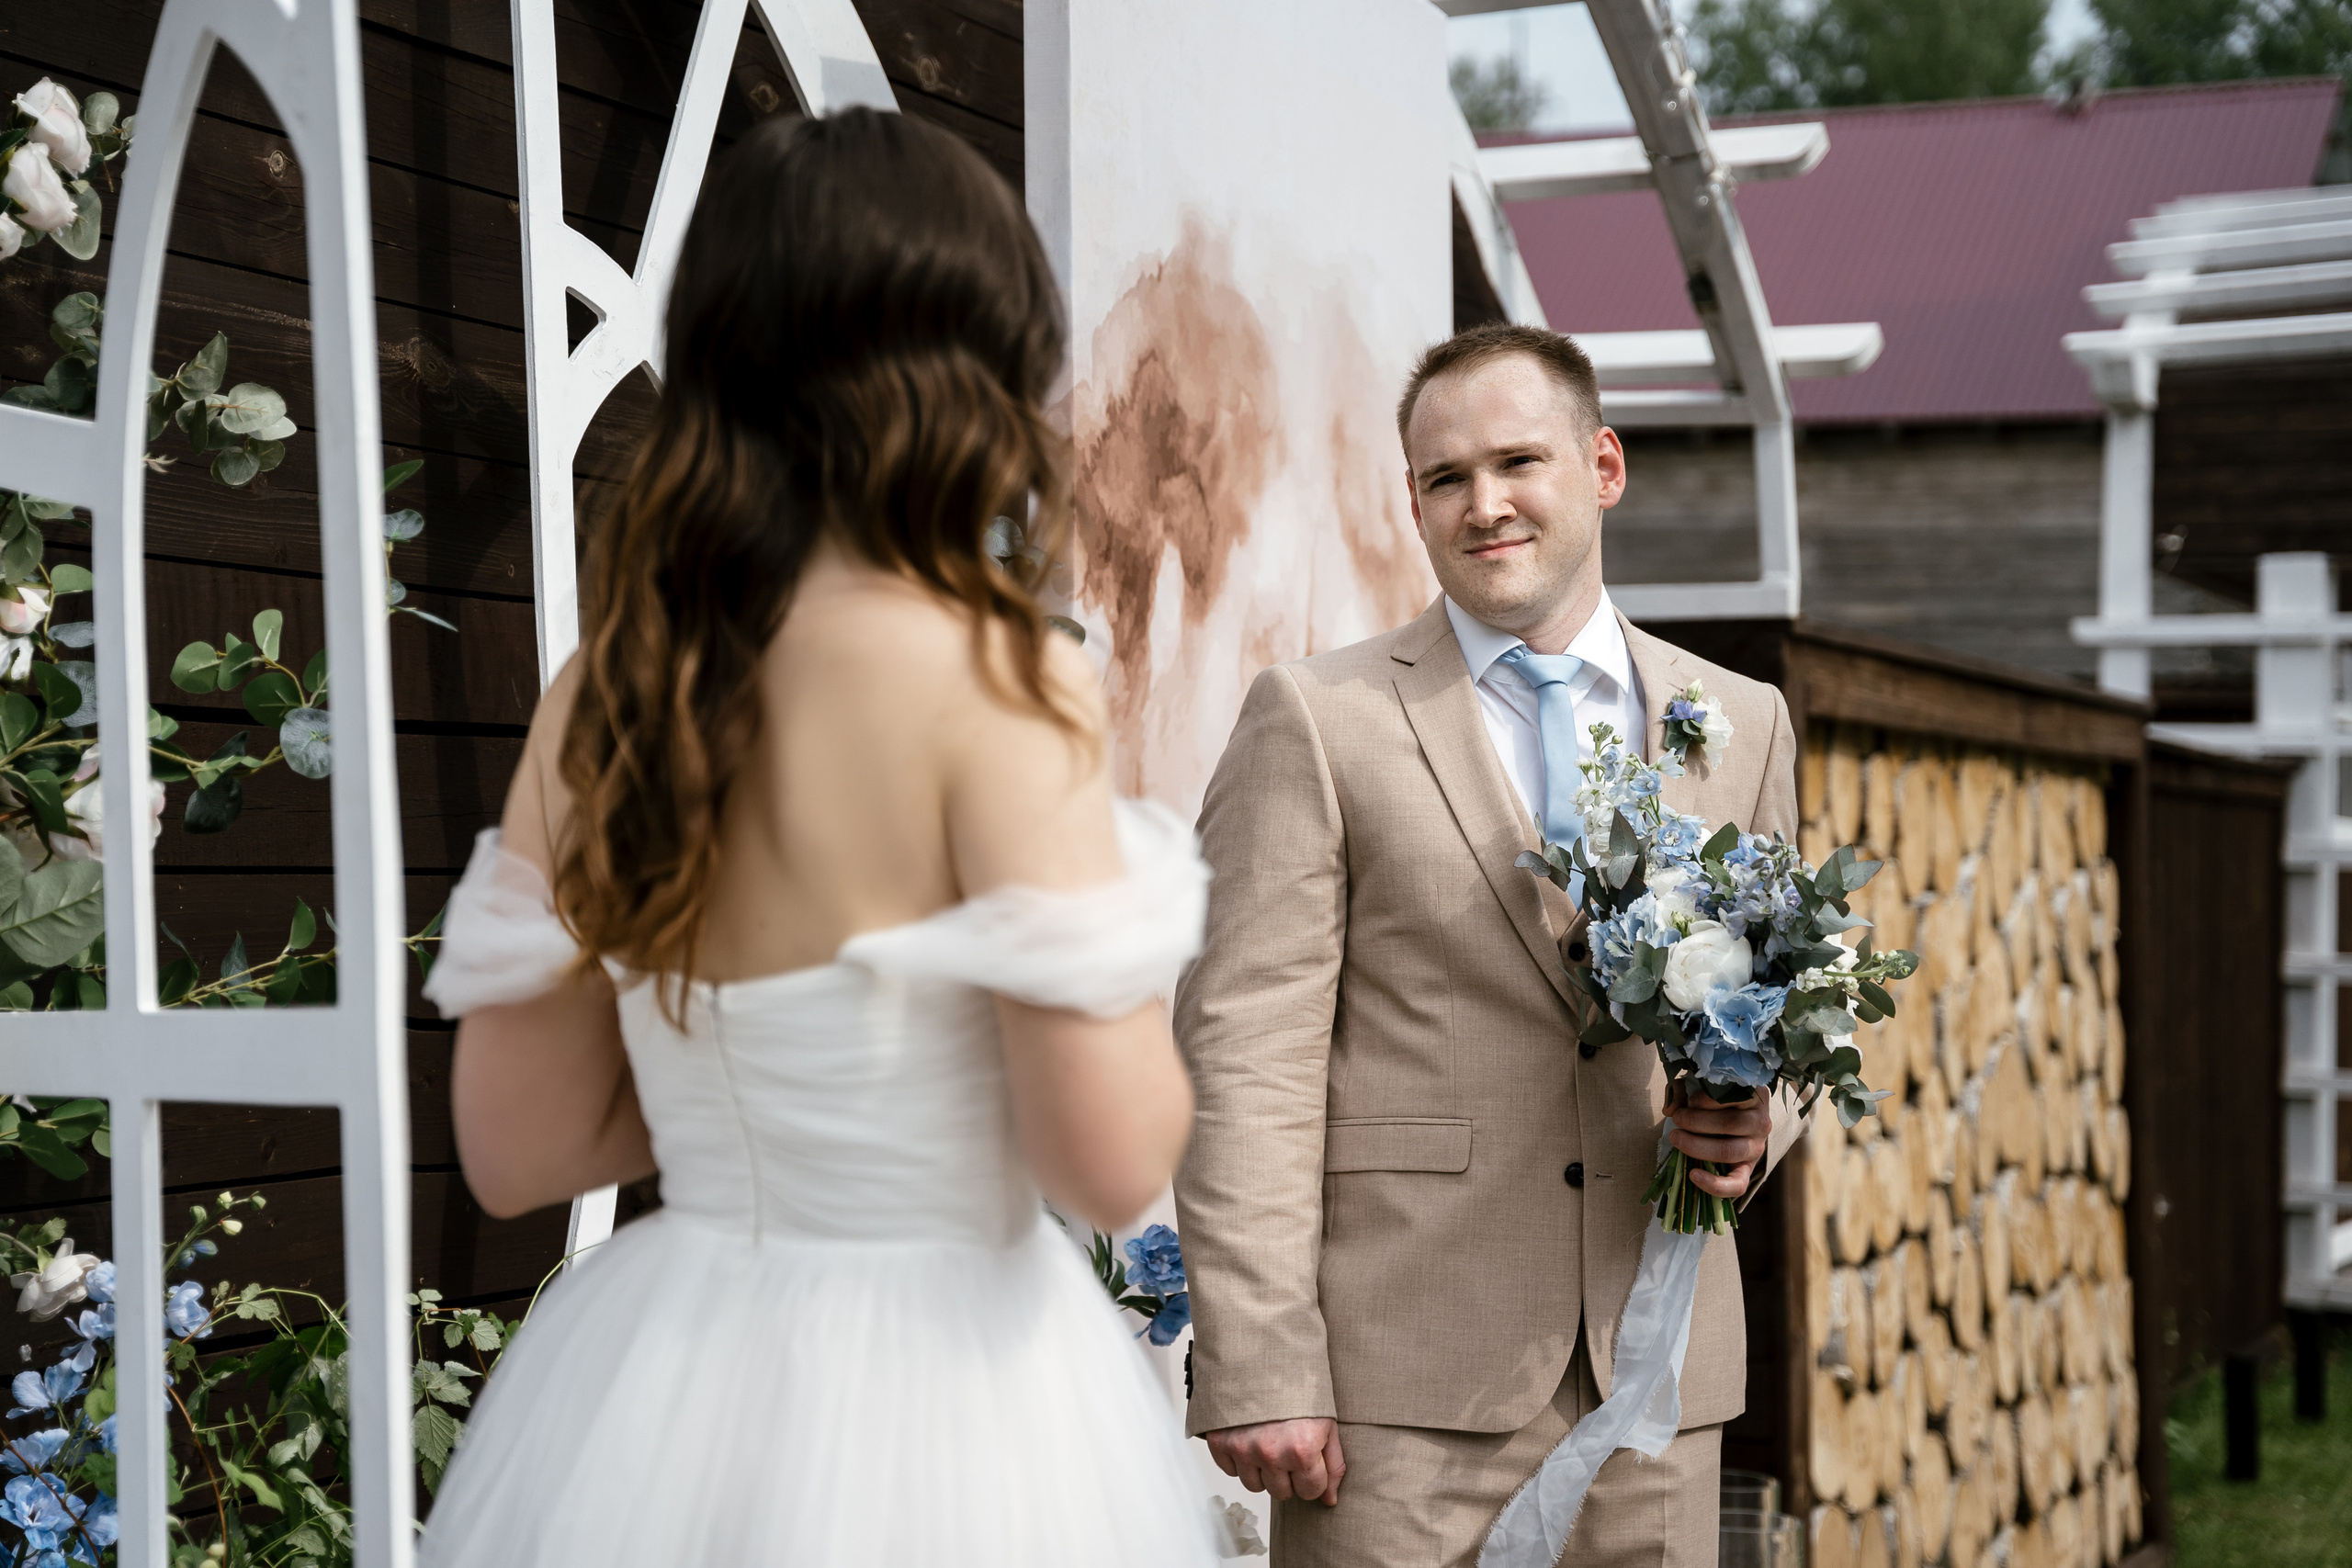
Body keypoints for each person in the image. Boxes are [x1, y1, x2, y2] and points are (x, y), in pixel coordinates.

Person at [416, 109, 1217, 1568]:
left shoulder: (610, 692)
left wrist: (743, 1086)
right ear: (982, 370)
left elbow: (518, 1146)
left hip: (657, 1398)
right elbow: (1106, 1155)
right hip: (958, 1406)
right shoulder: (999, 678)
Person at [1172, 323, 1807, 1567]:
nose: (1485, 504)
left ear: (1604, 466)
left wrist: (1757, 1119)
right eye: (1445, 479)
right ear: (1414, 503)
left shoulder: (1739, 721)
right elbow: (1244, 1054)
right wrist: (1257, 1354)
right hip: (1396, 1396)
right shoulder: (1320, 719)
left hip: (1659, 1379)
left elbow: (1781, 998)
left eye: (1520, 462)